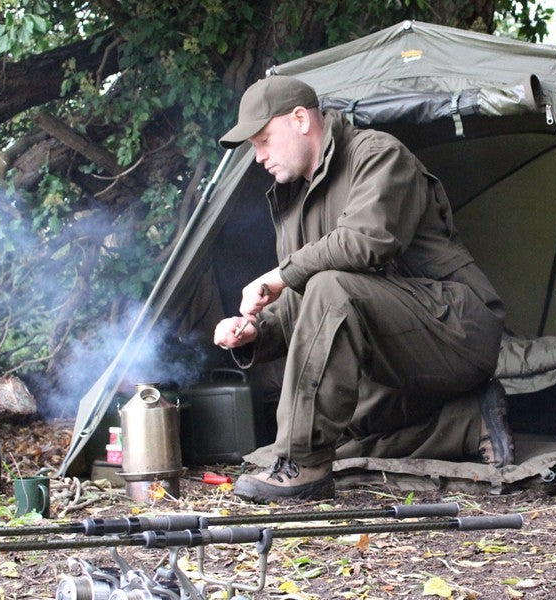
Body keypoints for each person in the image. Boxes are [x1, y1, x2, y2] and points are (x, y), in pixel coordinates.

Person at [214, 75, 513, 503]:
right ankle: (467, 420)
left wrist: (277, 275)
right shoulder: (294, 199)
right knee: (350, 434)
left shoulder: (378, 155)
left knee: (333, 288)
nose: (258, 157)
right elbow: (305, 300)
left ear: (300, 119)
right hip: (393, 352)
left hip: (458, 328)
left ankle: (302, 463)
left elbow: (365, 242)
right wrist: (256, 331)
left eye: (263, 140)